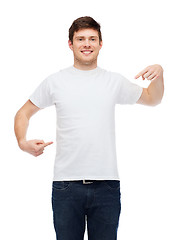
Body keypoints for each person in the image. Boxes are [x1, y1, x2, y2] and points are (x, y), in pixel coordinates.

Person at [14, 16, 164, 240]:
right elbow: (23, 113)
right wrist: (22, 142)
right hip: (66, 187)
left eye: (92, 39)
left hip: (107, 186)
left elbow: (153, 98)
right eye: (80, 38)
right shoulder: (55, 81)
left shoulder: (113, 81)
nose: (87, 44)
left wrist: (160, 73)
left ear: (100, 44)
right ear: (70, 44)